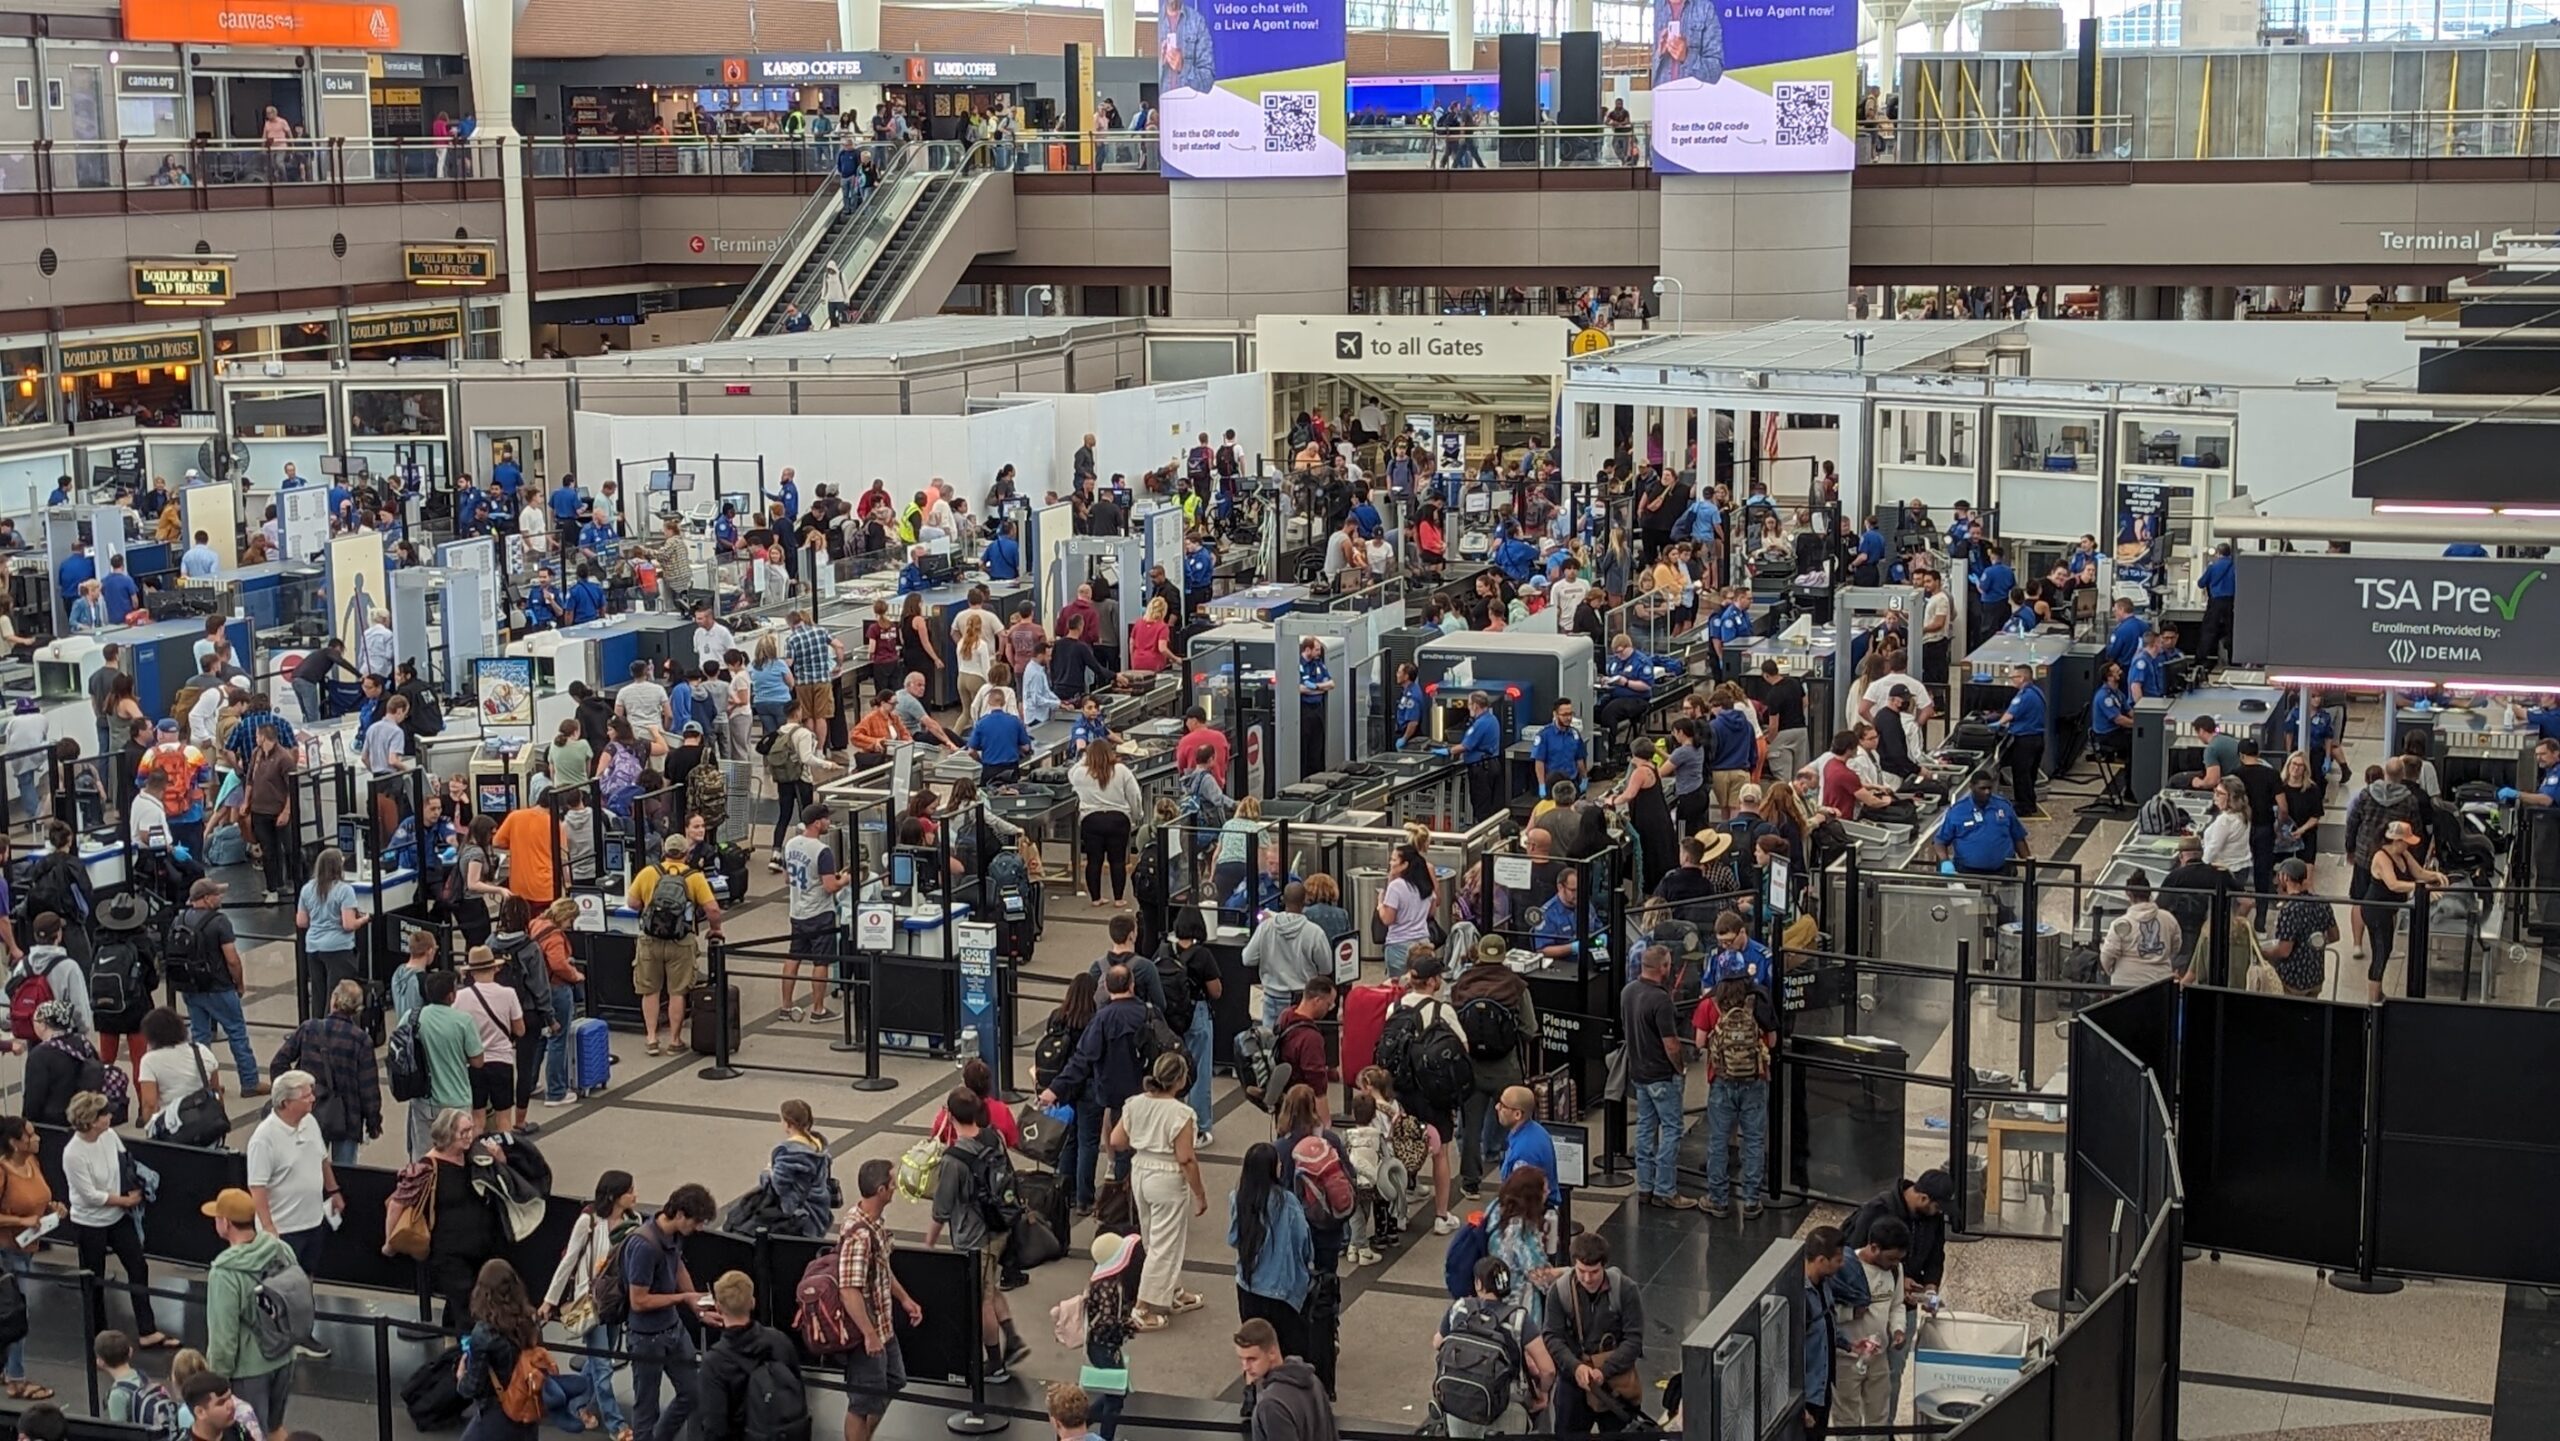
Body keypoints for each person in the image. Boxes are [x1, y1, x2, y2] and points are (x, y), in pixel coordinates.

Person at [923, 1088, 1030, 1382]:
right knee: (990, 1287)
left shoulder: (954, 1159)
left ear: (950, 1115)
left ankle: (994, 1363)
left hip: (974, 1237)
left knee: (981, 1299)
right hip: (1000, 1225)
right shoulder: (992, 1136)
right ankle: (1012, 1336)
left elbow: (941, 1210)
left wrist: (928, 1243)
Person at [1842, 1171, 1953, 1421]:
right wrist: (1896, 1282)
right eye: (1936, 1206)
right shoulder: (1877, 1210)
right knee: (1858, 1377)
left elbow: (1937, 1256)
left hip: (1905, 1308)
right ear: (1923, 1197)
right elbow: (1853, 1259)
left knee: (1892, 1372)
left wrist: (1930, 1287)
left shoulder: (1933, 1219)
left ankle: (1883, 1429)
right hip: (1871, 1309)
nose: (1938, 1213)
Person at [65, 1088, 172, 1346]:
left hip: (117, 1217)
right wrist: (124, 1200)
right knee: (94, 1279)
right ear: (90, 1121)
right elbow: (89, 1195)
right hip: (89, 1222)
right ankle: (98, 1336)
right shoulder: (73, 1153)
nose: (109, 1117)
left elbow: (125, 1162)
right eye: (104, 1114)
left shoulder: (110, 1136)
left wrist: (134, 1184)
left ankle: (147, 1330)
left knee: (138, 1266)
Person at [1112, 1052, 1208, 1329]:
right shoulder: (1181, 1113)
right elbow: (1186, 1158)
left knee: (1153, 1238)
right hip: (1167, 1177)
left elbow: (1117, 1140)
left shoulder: (1135, 1103)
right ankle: (1143, 1307)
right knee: (1165, 1244)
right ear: (1179, 1080)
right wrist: (1200, 1193)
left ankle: (1173, 1291)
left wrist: (1144, 1138)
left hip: (1141, 1169)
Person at [538, 1171, 636, 1441]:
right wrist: (550, 1301)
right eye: (629, 1191)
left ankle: (579, 1404)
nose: (635, 1195)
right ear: (615, 1196)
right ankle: (616, 1425)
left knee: (598, 1362)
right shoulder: (589, 1221)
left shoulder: (633, 1222)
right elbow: (568, 1261)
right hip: (590, 1302)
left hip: (615, 1302)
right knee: (603, 1365)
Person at [834, 1157, 921, 1441]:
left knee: (894, 1380)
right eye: (892, 1183)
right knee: (861, 1404)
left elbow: (882, 1270)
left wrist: (905, 1300)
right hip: (867, 1335)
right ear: (881, 1190)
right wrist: (869, 1334)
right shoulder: (858, 1235)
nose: (896, 1187)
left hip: (883, 1328)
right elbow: (849, 1290)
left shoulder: (874, 1224)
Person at [201, 1187, 302, 1425]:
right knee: (276, 1429)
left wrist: (217, 1383)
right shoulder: (280, 1249)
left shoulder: (225, 1273)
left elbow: (223, 1338)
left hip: (249, 1369)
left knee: (252, 1432)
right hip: (285, 1355)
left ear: (226, 1223)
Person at [460, 1257, 591, 1441]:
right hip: (528, 1409)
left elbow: (473, 1387)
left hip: (497, 1414)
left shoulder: (484, 1333)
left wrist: (460, 1377)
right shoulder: (530, 1320)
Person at [1691, 953, 1776, 1217]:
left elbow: (1698, 1042)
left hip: (1721, 1079)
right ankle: (1751, 1200)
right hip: (1755, 1079)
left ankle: (1718, 1199)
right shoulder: (1759, 997)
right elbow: (1771, 1041)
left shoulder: (1710, 1003)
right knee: (1753, 1139)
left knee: (1718, 1140)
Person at [1453, 937, 1538, 1196]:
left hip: (1472, 1069)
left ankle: (1470, 1182)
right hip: (1506, 1069)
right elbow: (1529, 1029)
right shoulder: (1516, 986)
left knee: (1470, 1127)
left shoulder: (1462, 984)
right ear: (1503, 956)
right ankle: (1512, 1176)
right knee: (1516, 1123)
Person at [625, 834, 722, 1057]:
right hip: (681, 940)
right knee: (677, 991)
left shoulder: (649, 872)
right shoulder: (694, 877)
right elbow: (713, 909)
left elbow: (632, 903)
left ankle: (651, 1038)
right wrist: (716, 929)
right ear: (686, 854)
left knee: (650, 990)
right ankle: (675, 1040)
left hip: (650, 939)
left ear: (664, 851)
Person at [1543, 1233, 1644, 1436]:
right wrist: (1575, 1367)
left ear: (1604, 1266)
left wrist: (1604, 1370)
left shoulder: (1626, 1290)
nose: (1588, 1278)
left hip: (1614, 1380)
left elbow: (1634, 1339)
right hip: (1573, 1382)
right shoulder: (1559, 1291)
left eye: (1594, 1272)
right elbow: (1552, 1336)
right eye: (1581, 1271)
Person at [169, 880, 265, 1096]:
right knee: (237, 1033)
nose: (220, 898)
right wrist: (239, 983)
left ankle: (206, 1085)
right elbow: (232, 959)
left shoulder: (179, 919)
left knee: (200, 1037)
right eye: (216, 894)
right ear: (205, 898)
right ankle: (250, 1082)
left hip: (191, 988)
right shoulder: (219, 922)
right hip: (219, 988)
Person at [244, 1071, 344, 1274]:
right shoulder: (264, 1138)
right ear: (285, 1103)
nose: (313, 1099)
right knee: (281, 1284)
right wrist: (268, 1228)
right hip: (284, 1230)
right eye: (306, 1096)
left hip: (313, 1222)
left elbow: (323, 1160)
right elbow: (257, 1186)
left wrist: (333, 1191)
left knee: (307, 1276)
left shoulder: (310, 1122)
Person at [1619, 944, 1691, 1210]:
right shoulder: (1660, 1000)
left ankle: (1644, 1187)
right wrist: (1680, 1067)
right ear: (1662, 967)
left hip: (1639, 1073)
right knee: (1672, 1130)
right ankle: (1666, 1190)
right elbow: (1671, 1044)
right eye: (1669, 963)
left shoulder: (1628, 992)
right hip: (1662, 1075)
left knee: (1645, 1129)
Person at [694, 1271, 804, 1441]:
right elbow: (798, 1390)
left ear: (718, 1307)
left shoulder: (714, 1362)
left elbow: (714, 1427)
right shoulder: (779, 1340)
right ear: (752, 1302)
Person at [1229, 1144, 1313, 1360]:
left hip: (1248, 1286)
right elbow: (1304, 1244)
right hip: (1281, 1292)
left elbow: (1233, 1238)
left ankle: (1255, 1390)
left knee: (1256, 1349)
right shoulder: (1288, 1203)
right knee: (1286, 1352)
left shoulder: (1238, 1198)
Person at [0, 1118, 60, 1400]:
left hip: (26, 1248)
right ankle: (16, 1377)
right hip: (6, 1251)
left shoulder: (32, 1164)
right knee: (16, 1314)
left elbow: (39, 1197)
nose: (37, 1139)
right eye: (30, 1135)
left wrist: (52, 1207)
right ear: (15, 1142)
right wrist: (20, 1219)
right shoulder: (2, 1171)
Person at [1234, 1316, 1332, 1441]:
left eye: (1252, 1359)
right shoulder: (1312, 1379)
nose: (1245, 1367)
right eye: (1241, 1359)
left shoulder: (1270, 1405)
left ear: (1272, 1353)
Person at [1071, 739, 1144, 908]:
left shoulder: (1082, 773)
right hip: (1118, 819)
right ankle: (1118, 898)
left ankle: (1096, 898)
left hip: (1091, 819)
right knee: (1117, 860)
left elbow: (1070, 774)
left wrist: (1083, 758)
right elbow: (1134, 795)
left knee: (1093, 860)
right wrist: (1136, 814)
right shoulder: (1121, 770)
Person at [1933, 772, 2027, 879]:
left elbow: (2018, 837)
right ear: (1971, 787)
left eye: (1989, 788)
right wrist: (1945, 862)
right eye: (1982, 788)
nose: (1987, 792)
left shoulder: (2003, 806)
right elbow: (1940, 841)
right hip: (1968, 874)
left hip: (2003, 872)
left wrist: (2029, 863)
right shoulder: (1957, 811)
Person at [2099, 871, 2184, 988]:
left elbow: (2107, 956)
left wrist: (2112, 972)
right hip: (2160, 983)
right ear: (2150, 893)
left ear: (2128, 894)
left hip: (2125, 986)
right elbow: (2176, 946)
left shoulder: (2120, 924)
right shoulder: (2168, 919)